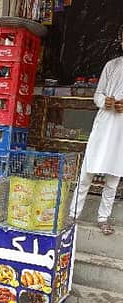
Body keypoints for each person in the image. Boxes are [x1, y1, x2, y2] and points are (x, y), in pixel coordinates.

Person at [69, 26, 123, 235]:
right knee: (87, 172)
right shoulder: (112, 66)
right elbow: (97, 95)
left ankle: (103, 218)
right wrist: (105, 102)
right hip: (104, 125)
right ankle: (74, 214)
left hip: (120, 132)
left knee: (114, 177)